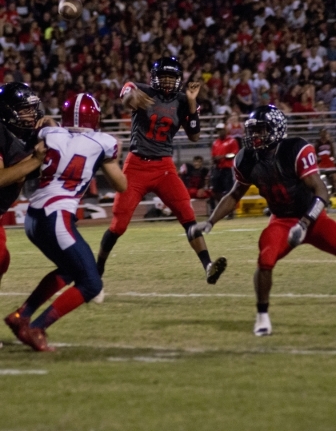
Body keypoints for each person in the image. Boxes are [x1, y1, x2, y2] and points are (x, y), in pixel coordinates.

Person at [188, 105, 336, 337]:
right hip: (282, 221)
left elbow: (321, 192)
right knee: (265, 259)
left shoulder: (295, 150)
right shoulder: (246, 158)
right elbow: (234, 194)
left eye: (261, 130)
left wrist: (306, 222)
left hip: (313, 219)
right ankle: (262, 316)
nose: (254, 136)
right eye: (252, 131)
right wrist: (211, 221)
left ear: (276, 129)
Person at [4, 93, 127, 352]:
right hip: (58, 215)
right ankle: (36, 327)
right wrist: (109, 159)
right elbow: (121, 185)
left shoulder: (50, 133)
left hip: (34, 215)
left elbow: (45, 137)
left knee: (70, 269)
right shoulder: (102, 142)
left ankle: (21, 316)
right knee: (92, 284)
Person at [97, 57, 226, 288]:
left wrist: (192, 104)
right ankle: (98, 268)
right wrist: (130, 97)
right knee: (119, 225)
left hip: (164, 167)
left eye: (171, 78)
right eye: (163, 77)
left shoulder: (183, 100)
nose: (167, 82)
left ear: (179, 80)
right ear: (154, 78)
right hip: (136, 165)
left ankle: (207, 265)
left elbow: (195, 136)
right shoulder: (143, 90)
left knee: (188, 217)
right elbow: (126, 94)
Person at [0, 82, 51, 287]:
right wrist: (35, 161)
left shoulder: (23, 135)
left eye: (32, 108)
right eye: (25, 109)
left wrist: (53, 130)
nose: (32, 114)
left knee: (2, 260)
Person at [209, 121, 240, 213]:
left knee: (229, 190)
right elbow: (213, 155)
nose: (220, 132)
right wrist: (214, 160)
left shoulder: (232, 141)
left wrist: (223, 157)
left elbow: (234, 154)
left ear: (225, 130)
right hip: (218, 168)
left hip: (228, 169)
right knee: (215, 190)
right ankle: (223, 208)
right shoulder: (215, 143)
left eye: (221, 130)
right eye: (218, 130)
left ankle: (229, 210)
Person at [314, 128, 336, 195]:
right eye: (322, 133)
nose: (324, 134)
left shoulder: (329, 143)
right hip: (321, 162)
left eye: (325, 133)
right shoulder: (318, 143)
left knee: (334, 176)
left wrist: (332, 159)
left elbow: (332, 153)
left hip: (329, 161)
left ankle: (334, 190)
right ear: (320, 134)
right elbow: (315, 153)